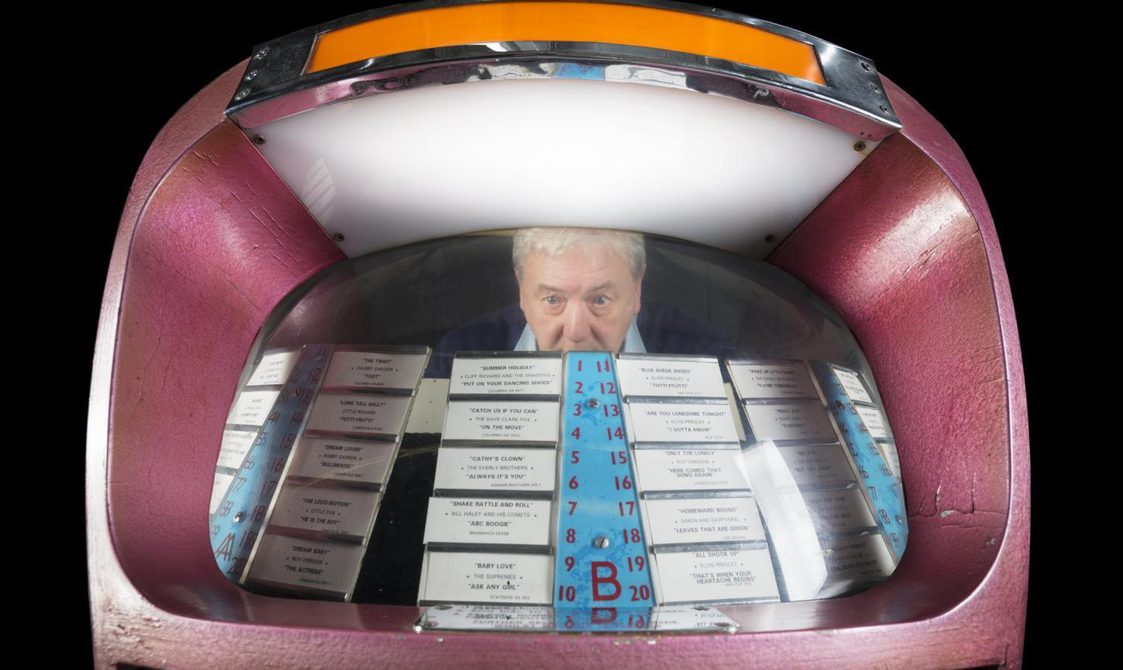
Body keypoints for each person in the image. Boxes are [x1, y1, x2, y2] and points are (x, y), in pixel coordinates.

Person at [425, 228, 735, 377]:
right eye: (552, 299)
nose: (575, 332)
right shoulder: (457, 360)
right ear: (521, 289)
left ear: (637, 287)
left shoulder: (708, 363)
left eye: (599, 299)